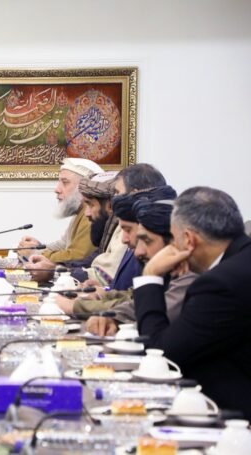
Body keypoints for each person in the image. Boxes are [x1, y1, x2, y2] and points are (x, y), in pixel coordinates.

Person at [134, 186, 251, 418]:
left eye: (173, 240)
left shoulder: (219, 285)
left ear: (188, 239)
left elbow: (161, 356)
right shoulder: (240, 261)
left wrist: (150, 276)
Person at [85, 187, 196, 334]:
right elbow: (139, 301)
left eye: (147, 241)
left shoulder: (191, 276)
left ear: (175, 242)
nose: (138, 251)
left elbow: (154, 325)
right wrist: (113, 317)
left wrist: (150, 273)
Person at [26, 171, 126, 283]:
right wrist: (52, 266)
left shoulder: (123, 230)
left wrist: (53, 271)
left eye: (90, 204)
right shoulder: (105, 224)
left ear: (110, 206)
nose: (87, 213)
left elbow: (102, 275)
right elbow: (88, 261)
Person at [21, 158, 103, 273]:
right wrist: (38, 246)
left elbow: (77, 256)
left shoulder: (89, 215)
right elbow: (63, 244)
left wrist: (35, 253)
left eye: (65, 182)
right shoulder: (79, 211)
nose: (57, 189)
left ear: (84, 188)